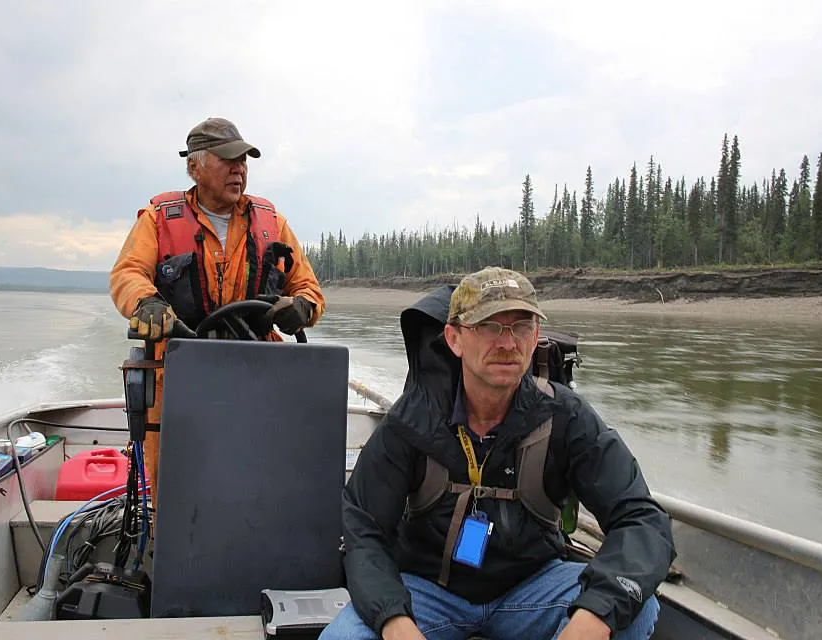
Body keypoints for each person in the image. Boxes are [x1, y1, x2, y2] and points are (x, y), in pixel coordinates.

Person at [323, 267, 675, 640]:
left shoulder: (565, 417)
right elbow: (363, 529)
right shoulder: (410, 423)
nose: (508, 343)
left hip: (534, 589)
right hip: (426, 591)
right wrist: (395, 623)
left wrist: (594, 616)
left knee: (631, 606)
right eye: (490, 327)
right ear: (454, 339)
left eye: (521, 327)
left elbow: (641, 518)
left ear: (535, 335)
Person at [109, 117, 325, 505]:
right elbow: (127, 273)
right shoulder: (159, 218)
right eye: (228, 160)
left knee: (261, 476)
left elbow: (307, 289)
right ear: (194, 167)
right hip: (179, 372)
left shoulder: (271, 222)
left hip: (258, 372)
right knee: (175, 486)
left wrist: (302, 307)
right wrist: (148, 302)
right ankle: (172, 551)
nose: (239, 168)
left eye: (243, 160)